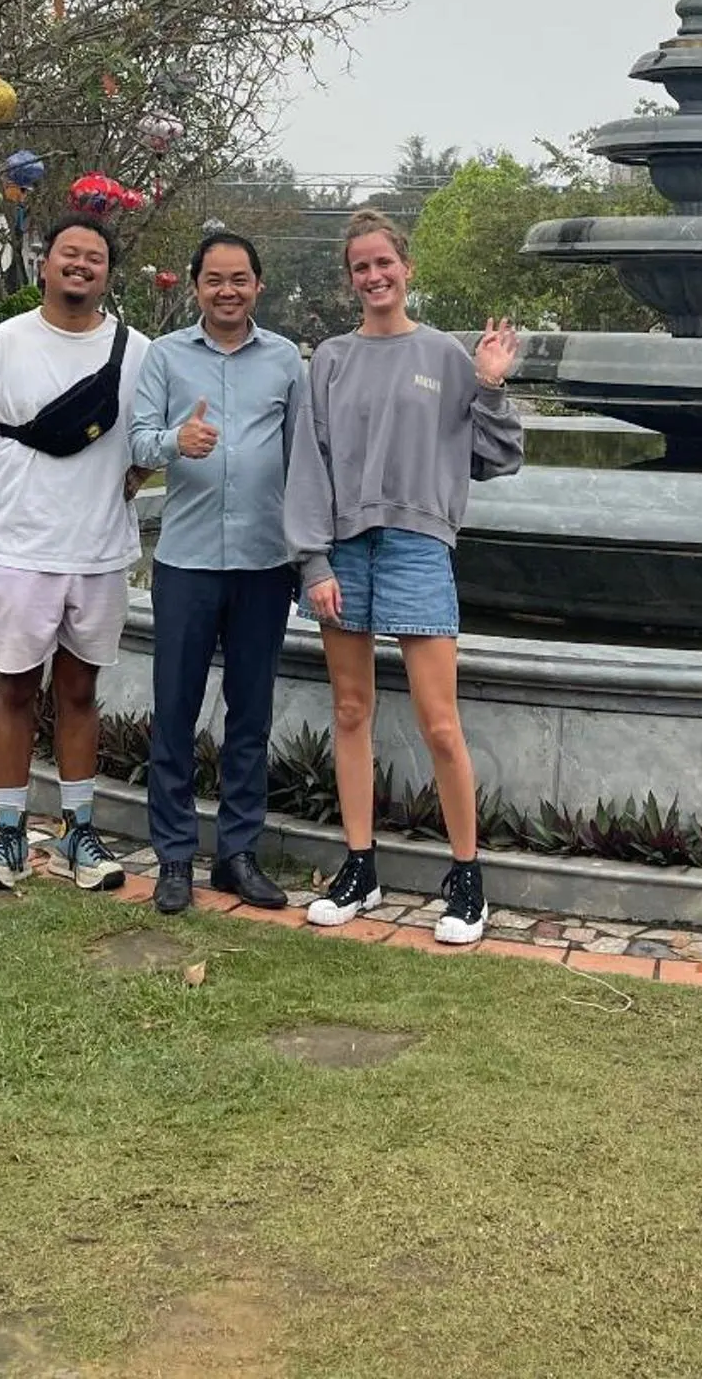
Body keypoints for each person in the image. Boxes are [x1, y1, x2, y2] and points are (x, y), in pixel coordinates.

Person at [284, 209, 522, 947]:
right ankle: (360, 866)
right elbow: (308, 465)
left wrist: (490, 385)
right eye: (361, 266)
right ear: (350, 277)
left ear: (406, 268)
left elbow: (498, 458)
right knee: (351, 710)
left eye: (384, 262)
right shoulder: (330, 359)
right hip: (344, 552)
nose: (374, 276)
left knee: (440, 723)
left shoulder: (446, 356)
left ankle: (467, 876)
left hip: (419, 547)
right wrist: (313, 561)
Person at [0, 214, 151, 892]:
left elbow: (154, 436)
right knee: (13, 687)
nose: (81, 264)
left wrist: (130, 476)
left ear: (108, 274)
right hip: (21, 549)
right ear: (44, 263)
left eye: (95, 257)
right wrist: (24, 482)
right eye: (70, 253)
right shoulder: (1, 346)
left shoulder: (138, 352)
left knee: (80, 691)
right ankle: (7, 835)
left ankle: (78, 831)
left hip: (99, 551)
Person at [130, 229, 305, 916]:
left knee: (250, 715)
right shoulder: (166, 356)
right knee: (174, 712)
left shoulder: (285, 359)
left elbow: (304, 457)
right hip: (187, 562)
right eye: (214, 280)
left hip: (265, 564)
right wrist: (177, 441)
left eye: (239, 279)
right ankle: (174, 858)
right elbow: (138, 440)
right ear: (196, 286)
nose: (227, 291)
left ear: (258, 285)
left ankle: (237, 855)